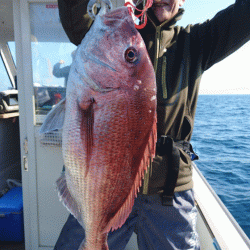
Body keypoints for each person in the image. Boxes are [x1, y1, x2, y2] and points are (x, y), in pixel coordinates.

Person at [54, 0, 250, 249]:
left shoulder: (197, 42)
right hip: (103, 194)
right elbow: (74, 17)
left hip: (170, 193)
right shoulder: (116, 35)